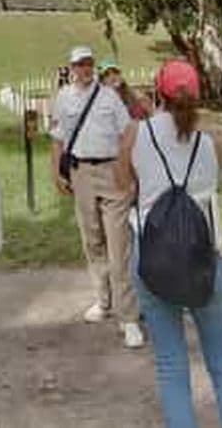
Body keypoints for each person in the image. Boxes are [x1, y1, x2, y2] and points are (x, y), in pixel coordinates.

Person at [117, 59, 222, 428]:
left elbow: (121, 184)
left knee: (170, 366)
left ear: (158, 92)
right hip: (205, 260)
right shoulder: (211, 144)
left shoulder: (136, 134)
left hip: (154, 259)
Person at [50, 45, 144, 349]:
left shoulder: (108, 97)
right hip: (81, 172)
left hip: (111, 171)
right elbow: (58, 138)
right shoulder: (63, 97)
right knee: (92, 240)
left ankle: (128, 318)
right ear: (71, 67)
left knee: (119, 247)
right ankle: (103, 301)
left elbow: (128, 132)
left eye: (89, 64)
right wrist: (57, 172)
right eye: (80, 64)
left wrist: (126, 170)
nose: (85, 69)